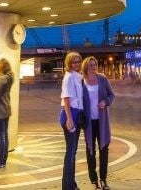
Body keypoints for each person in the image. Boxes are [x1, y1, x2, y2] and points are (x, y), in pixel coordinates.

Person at [81, 57, 115, 190]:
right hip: (89, 123)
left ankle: (104, 179)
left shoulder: (103, 79)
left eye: (94, 65)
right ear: (86, 67)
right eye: (90, 65)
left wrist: (105, 102)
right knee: (90, 150)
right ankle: (94, 180)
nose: (93, 67)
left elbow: (111, 95)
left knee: (104, 149)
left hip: (102, 121)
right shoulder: (81, 82)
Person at [60, 51, 84, 190]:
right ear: (69, 64)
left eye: (78, 61)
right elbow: (66, 98)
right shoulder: (68, 77)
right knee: (70, 152)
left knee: (73, 152)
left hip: (77, 115)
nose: (77, 64)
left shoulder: (79, 76)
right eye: (74, 62)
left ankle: (72, 184)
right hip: (70, 115)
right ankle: (67, 186)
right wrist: (69, 119)